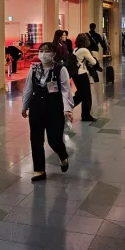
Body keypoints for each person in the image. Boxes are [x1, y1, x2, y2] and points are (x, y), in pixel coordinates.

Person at [21, 42, 73, 182]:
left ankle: (63, 156)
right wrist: (24, 106)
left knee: (54, 140)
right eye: (41, 50)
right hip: (36, 108)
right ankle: (39, 170)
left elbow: (66, 91)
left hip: (54, 109)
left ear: (54, 54)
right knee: (36, 140)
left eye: (47, 51)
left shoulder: (60, 70)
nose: (44, 53)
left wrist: (67, 109)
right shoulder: (34, 69)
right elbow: (28, 89)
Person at [73, 33, 98, 121]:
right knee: (86, 96)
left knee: (81, 94)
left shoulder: (75, 49)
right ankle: (85, 115)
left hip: (75, 74)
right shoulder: (84, 50)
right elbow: (93, 62)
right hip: (82, 74)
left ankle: (67, 107)